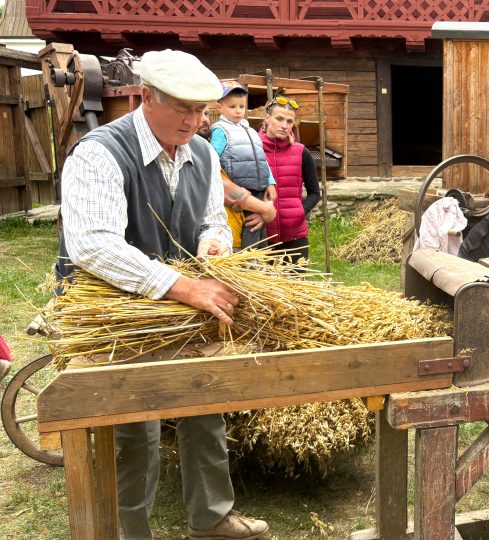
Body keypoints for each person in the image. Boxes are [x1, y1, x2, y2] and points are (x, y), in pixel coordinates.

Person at [58, 49, 268, 539]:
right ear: (146, 97)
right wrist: (180, 284)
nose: (194, 121)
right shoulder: (100, 152)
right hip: (118, 307)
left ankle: (212, 517)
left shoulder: (203, 152)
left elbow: (212, 219)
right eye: (182, 109)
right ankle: (129, 530)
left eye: (202, 112)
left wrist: (213, 245)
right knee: (133, 426)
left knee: (203, 399)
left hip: (181, 302)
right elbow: (93, 244)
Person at [210, 80, 277, 249]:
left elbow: (262, 158)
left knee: (260, 232)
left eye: (242, 106)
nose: (238, 111)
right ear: (220, 108)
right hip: (240, 190)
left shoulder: (250, 131)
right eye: (232, 107)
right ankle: (247, 265)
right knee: (248, 230)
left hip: (259, 189)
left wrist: (270, 182)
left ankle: (258, 266)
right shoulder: (220, 130)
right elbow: (211, 158)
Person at [259, 96, 322, 264]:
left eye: (289, 121)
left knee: (296, 288)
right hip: (262, 235)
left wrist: (300, 212)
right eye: (279, 119)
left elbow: (315, 193)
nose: (284, 125)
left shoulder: (301, 152)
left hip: (296, 237)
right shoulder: (253, 148)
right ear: (267, 118)